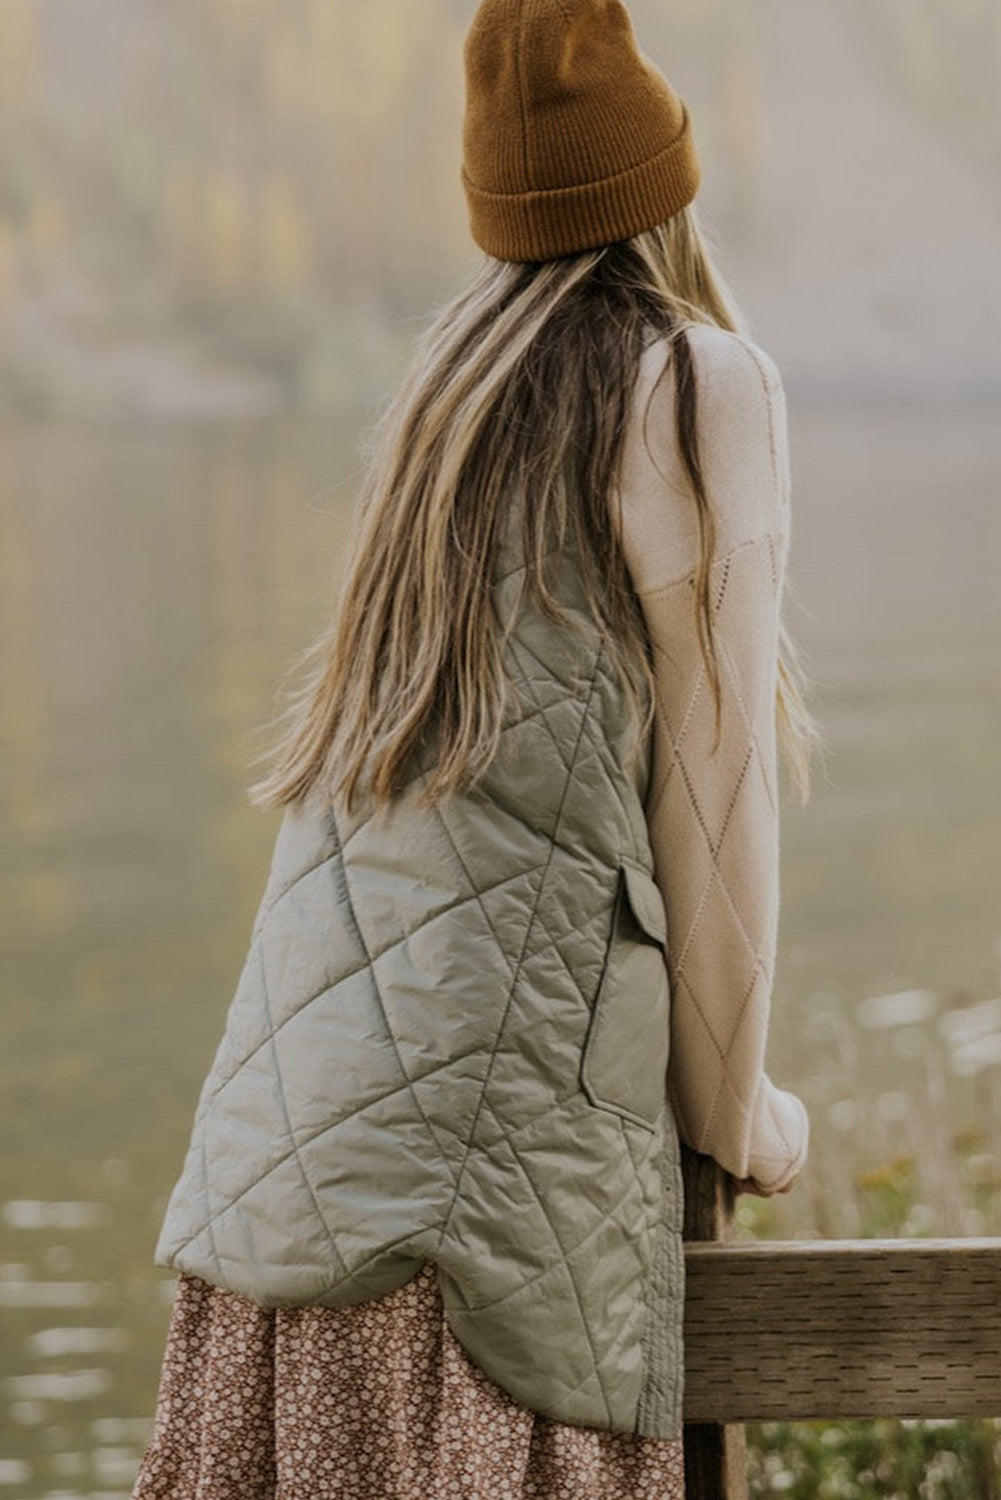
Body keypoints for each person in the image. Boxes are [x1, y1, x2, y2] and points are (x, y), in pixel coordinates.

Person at [131, 1, 821, 1496]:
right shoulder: (698, 382)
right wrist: (742, 1113)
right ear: (664, 187)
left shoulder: (445, 391)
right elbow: (717, 809)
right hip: (476, 1258)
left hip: (268, 1225)